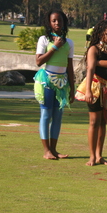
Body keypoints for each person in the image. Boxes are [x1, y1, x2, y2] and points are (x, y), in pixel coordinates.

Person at [75, 20, 107, 166]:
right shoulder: (94, 49)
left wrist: (96, 62)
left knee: (103, 122)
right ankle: (92, 156)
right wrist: (88, 91)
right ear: (100, 34)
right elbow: (89, 69)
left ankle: (99, 155)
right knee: (94, 122)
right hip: (95, 87)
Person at [33, 9, 74, 160]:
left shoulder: (69, 42)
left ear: (64, 22)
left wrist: (72, 88)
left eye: (60, 20)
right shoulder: (44, 39)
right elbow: (39, 61)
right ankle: (46, 151)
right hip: (47, 81)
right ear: (49, 23)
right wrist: (55, 47)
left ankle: (54, 150)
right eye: (54, 21)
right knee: (46, 114)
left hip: (62, 83)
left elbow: (69, 67)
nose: (57, 23)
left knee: (58, 116)